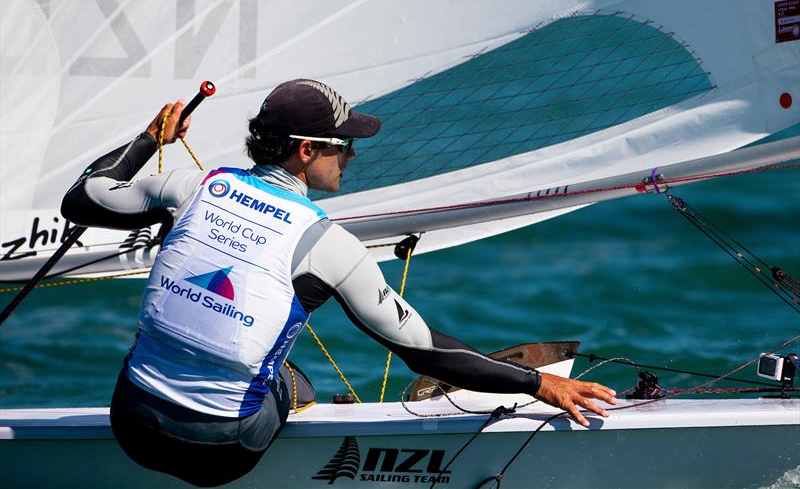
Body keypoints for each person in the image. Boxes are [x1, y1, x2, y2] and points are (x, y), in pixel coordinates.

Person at [61, 79, 617, 487]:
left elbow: (84, 197)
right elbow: (425, 353)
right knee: (293, 380)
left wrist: (148, 138)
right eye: (342, 144)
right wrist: (538, 385)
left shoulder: (189, 185)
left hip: (130, 423)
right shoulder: (330, 245)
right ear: (306, 151)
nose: (351, 155)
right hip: (220, 453)